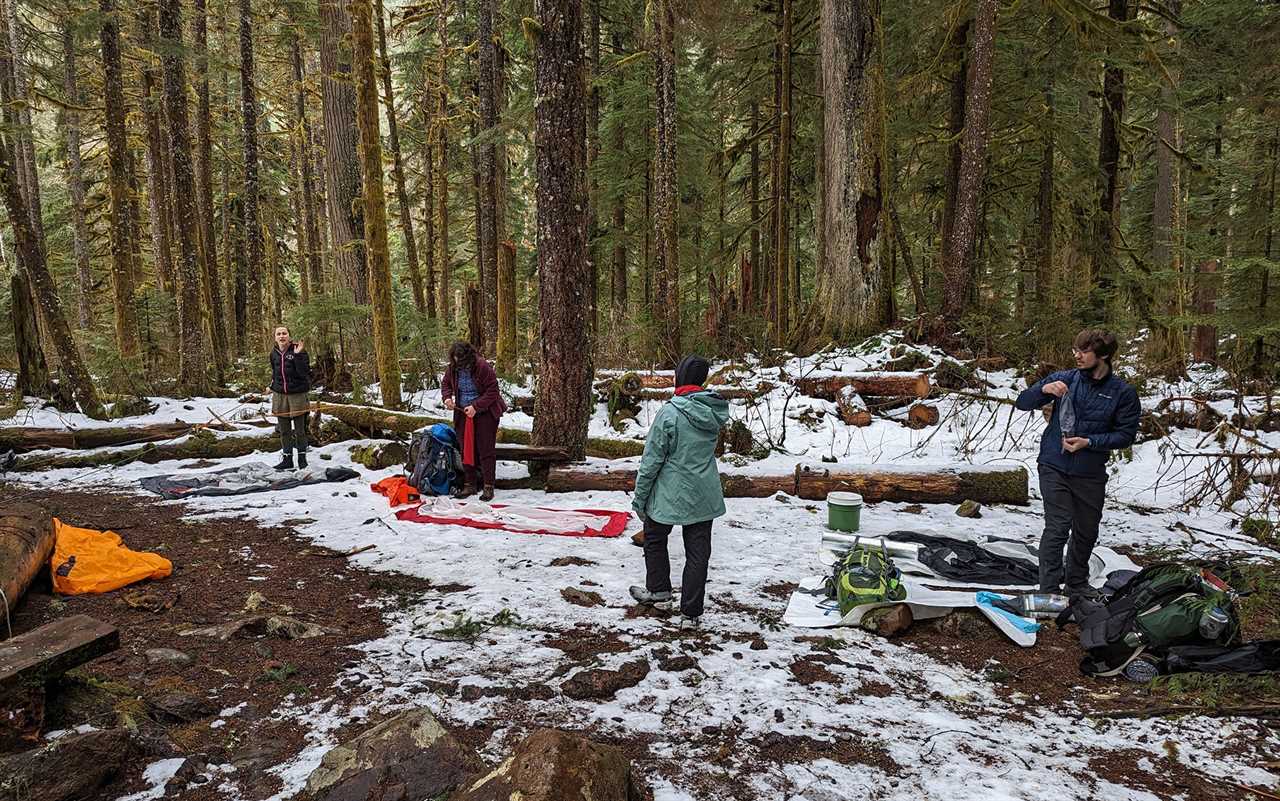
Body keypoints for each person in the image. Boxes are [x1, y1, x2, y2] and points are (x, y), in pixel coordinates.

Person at [1015, 329, 1140, 598]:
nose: (1077, 356)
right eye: (1075, 350)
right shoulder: (1065, 379)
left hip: (1090, 472)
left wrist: (1090, 442)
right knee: (1058, 526)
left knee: (1086, 530)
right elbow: (1022, 402)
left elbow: (1126, 435)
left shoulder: (1123, 393)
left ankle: (1076, 585)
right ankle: (1047, 592)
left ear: (1104, 355)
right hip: (1054, 464)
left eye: (1083, 351)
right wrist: (1043, 389)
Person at [628, 355, 730, 631]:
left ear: (680, 378)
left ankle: (659, 593)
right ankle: (691, 614)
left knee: (654, 536)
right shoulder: (713, 409)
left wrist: (640, 498)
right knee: (698, 552)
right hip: (703, 493)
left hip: (669, 493)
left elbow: (651, 461)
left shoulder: (670, 412)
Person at [440, 342, 507, 501]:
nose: (459, 365)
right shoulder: (453, 368)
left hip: (486, 413)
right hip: (463, 412)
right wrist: (447, 398)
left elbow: (493, 391)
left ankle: (488, 486)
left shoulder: (482, 366)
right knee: (466, 448)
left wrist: (476, 406)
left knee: (485, 450)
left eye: (461, 362)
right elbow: (445, 384)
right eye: (456, 361)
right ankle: (470, 485)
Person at [269, 326, 311, 470]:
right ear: (275, 337)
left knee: (300, 431)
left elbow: (304, 373)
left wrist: (298, 355)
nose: (282, 336)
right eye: (278, 334)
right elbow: (275, 373)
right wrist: (272, 385)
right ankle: (287, 460)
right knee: (284, 430)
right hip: (280, 396)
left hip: (297, 395)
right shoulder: (273, 353)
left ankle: (302, 460)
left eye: (284, 333)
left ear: (289, 336)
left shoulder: (298, 350)